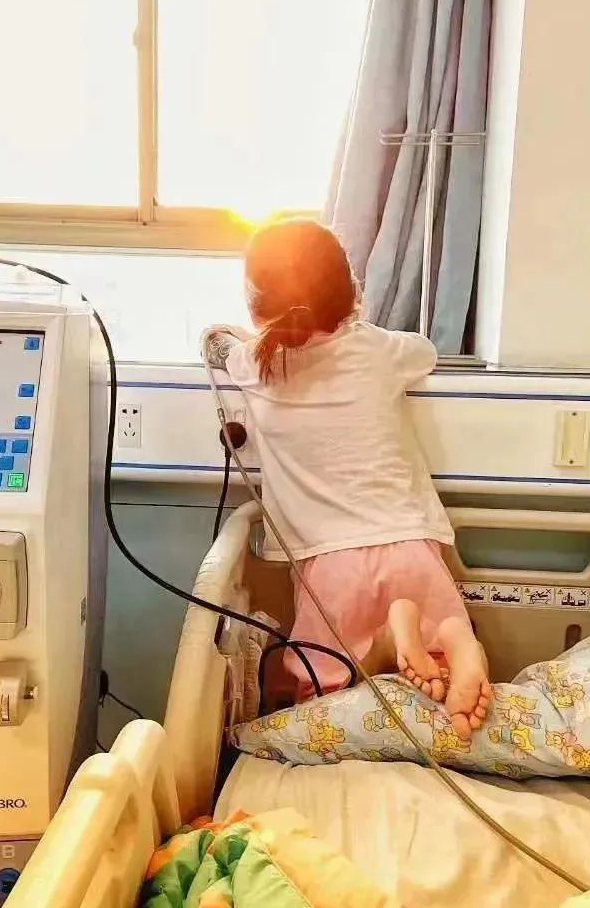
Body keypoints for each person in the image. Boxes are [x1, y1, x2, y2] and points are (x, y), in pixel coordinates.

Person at [207, 219, 490, 739]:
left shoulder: (254, 365)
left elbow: (213, 347)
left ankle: (385, 644)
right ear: (351, 292)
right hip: (411, 547)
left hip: (331, 567)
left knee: (327, 700)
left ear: (255, 304)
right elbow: (425, 351)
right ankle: (453, 641)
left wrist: (249, 338)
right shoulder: (378, 349)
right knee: (436, 692)